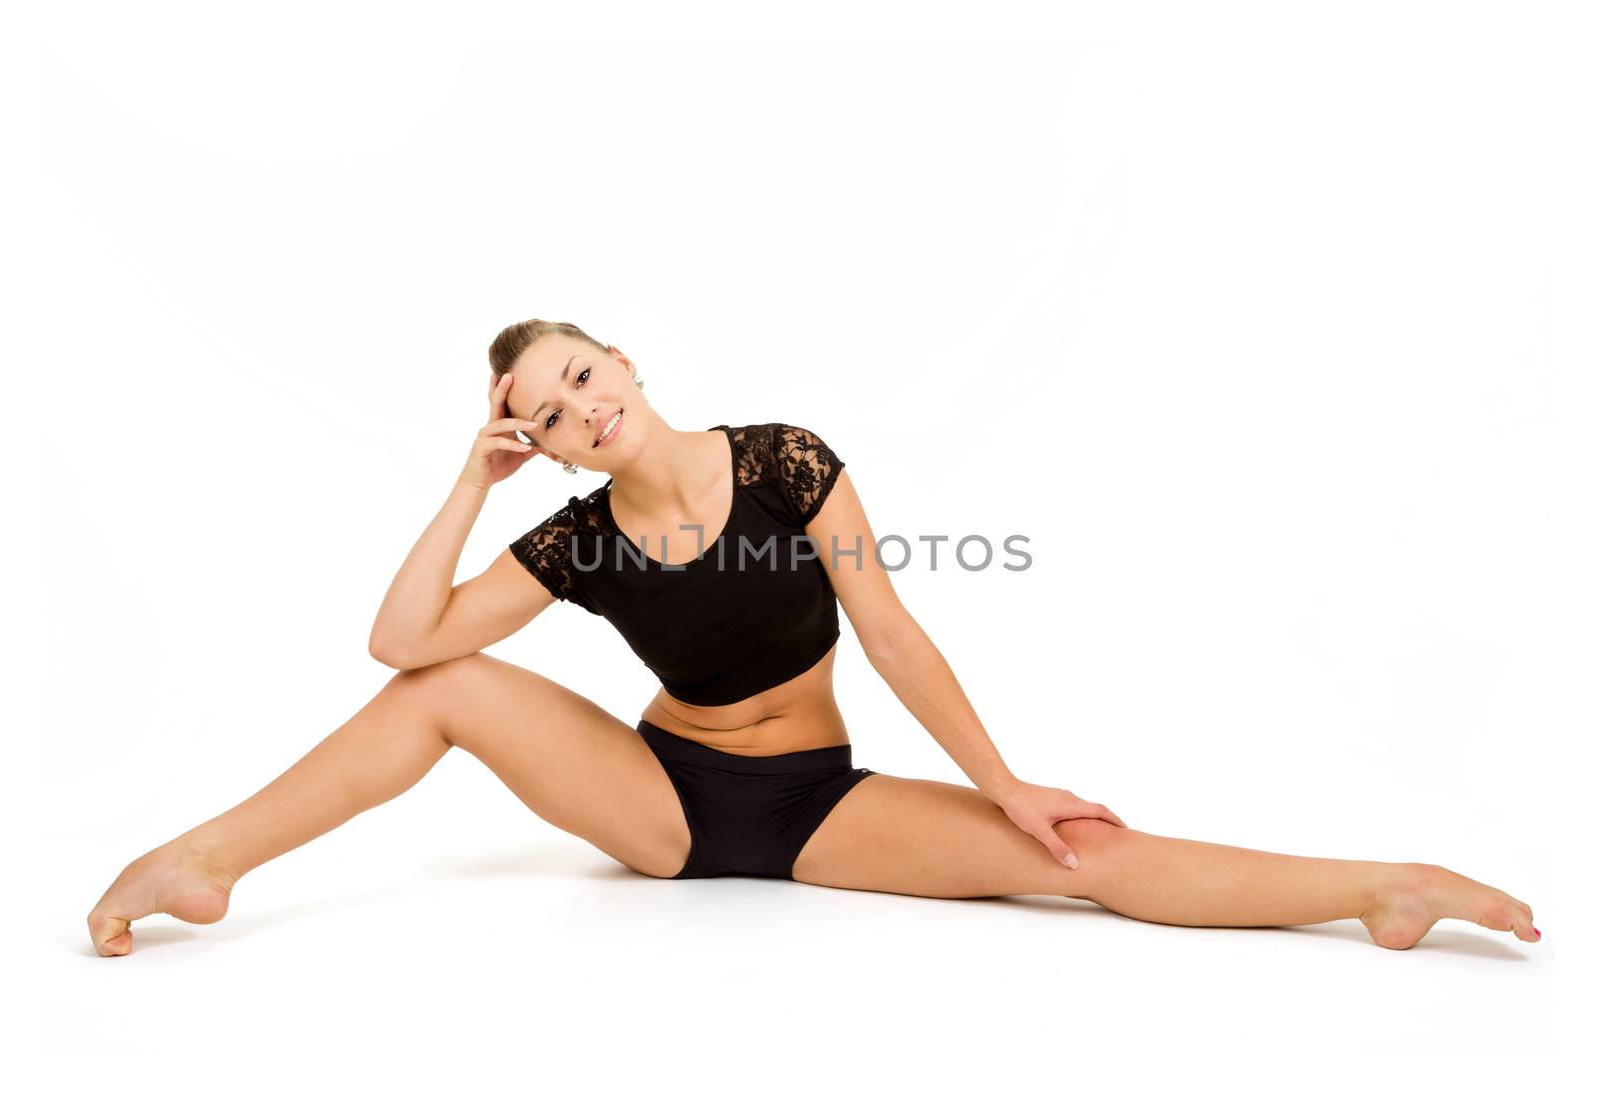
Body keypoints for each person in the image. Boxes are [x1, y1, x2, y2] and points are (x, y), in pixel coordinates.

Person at [86, 320, 1541, 955]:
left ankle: (1383, 886)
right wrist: (474, 477)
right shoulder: (574, 537)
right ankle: (201, 861)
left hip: (815, 806)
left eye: (581, 374)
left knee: (1079, 857)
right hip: (661, 803)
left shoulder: (786, 462)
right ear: (541, 442)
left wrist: (1007, 779)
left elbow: (893, 635)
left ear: (631, 362)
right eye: (541, 411)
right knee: (456, 684)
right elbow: (399, 645)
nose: (576, 405)